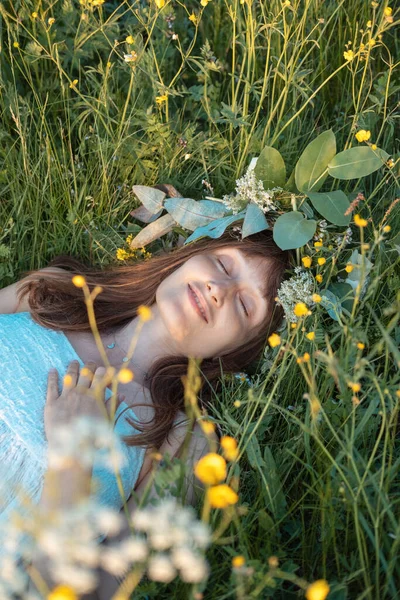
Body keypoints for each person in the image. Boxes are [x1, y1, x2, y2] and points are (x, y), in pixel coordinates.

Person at [0, 227, 292, 597]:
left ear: (240, 349)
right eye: (223, 263)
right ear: (190, 254)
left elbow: (97, 589)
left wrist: (72, 464)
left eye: (245, 305)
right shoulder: (53, 292)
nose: (219, 289)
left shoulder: (186, 442)